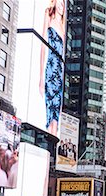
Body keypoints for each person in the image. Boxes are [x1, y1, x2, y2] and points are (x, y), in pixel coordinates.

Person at [40, 0, 66, 136]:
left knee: (56, 112)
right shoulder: (48, 16)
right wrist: (40, 77)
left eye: (64, 5)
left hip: (59, 73)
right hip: (50, 68)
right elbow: (43, 47)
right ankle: (48, 142)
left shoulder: (63, 27)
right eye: (60, 3)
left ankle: (52, 147)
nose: (62, 7)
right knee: (49, 108)